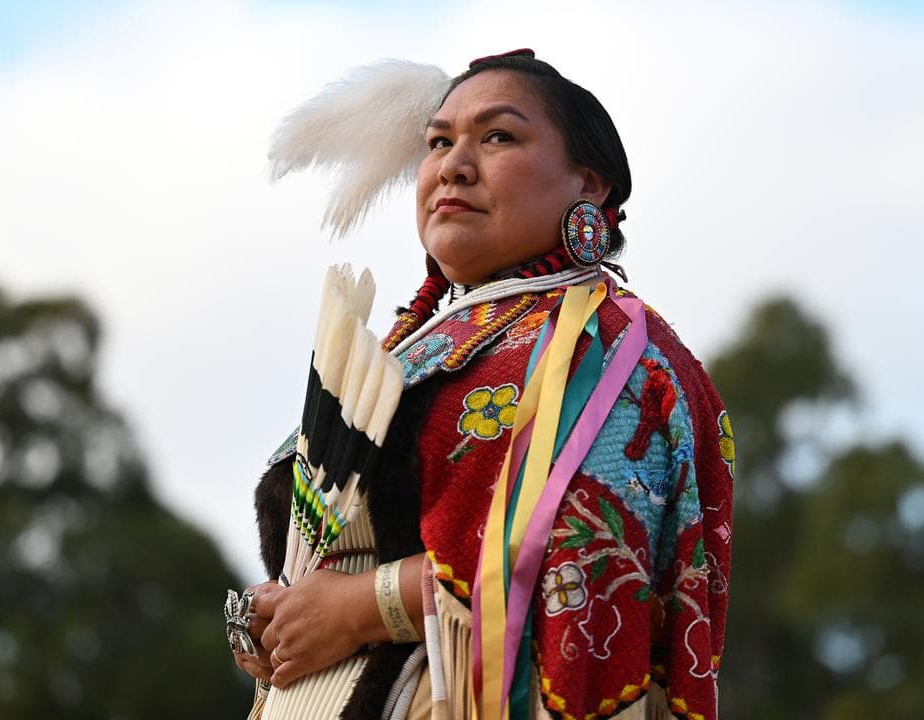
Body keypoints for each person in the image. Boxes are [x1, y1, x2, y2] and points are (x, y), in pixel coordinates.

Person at [232, 50, 735, 720]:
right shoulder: (413, 346)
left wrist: (360, 607)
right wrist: (269, 620)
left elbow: (580, 560)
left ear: (589, 185)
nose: (454, 164)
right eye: (439, 141)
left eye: (499, 136)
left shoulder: (615, 354)